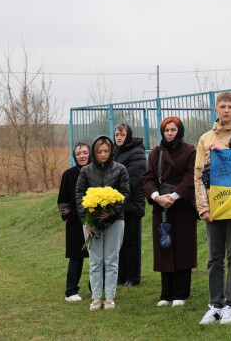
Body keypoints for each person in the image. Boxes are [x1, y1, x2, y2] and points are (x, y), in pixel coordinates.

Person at [193, 92, 231, 325]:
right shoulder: (205, 138)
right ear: (215, 110)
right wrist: (203, 207)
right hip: (214, 206)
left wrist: (225, 151)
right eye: (223, 106)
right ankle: (215, 305)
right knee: (214, 258)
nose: (227, 110)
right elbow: (198, 174)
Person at [141, 116, 198, 307]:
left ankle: (181, 293)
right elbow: (148, 177)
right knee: (164, 247)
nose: (170, 133)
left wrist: (173, 197)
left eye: (173, 130)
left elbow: (191, 178)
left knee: (182, 248)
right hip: (161, 207)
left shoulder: (190, 150)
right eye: (167, 130)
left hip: (182, 206)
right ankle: (166, 293)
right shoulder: (156, 152)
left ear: (179, 131)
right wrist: (157, 197)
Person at [75, 136, 130, 311]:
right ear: (94, 152)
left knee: (112, 260)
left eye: (106, 151)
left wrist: (112, 212)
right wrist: (87, 220)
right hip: (92, 222)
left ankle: (110, 298)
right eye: (99, 152)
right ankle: (96, 297)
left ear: (111, 151)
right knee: (95, 261)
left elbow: (125, 193)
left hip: (116, 221)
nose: (103, 154)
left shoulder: (120, 169)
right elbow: (79, 195)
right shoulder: (85, 171)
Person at [113, 123, 146, 287]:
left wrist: (112, 188)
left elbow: (133, 178)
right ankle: (121, 275)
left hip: (132, 203)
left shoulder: (137, 152)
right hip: (116, 203)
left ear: (128, 135)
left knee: (131, 241)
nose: (118, 137)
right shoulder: (115, 151)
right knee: (119, 241)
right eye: (116, 134)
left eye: (122, 134)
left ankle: (133, 277)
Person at [57, 142, 91, 302]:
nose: (82, 156)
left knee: (97, 257)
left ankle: (96, 288)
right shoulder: (68, 175)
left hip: (96, 221)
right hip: (75, 223)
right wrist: (69, 217)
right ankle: (71, 291)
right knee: (76, 257)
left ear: (90, 154)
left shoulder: (97, 171)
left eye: (85, 152)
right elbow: (62, 201)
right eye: (78, 154)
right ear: (75, 156)